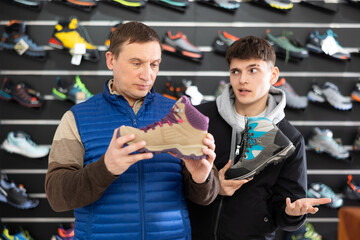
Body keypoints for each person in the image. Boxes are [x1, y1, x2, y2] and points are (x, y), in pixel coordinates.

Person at [45, 21, 219, 239]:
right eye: (136, 63)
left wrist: (201, 178)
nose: (147, 75)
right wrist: (106, 167)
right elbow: (56, 196)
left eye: (154, 64)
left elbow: (205, 197)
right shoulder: (76, 119)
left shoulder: (178, 113)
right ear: (111, 60)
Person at [187, 36, 331, 240]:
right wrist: (210, 185)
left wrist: (292, 214)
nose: (242, 80)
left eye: (253, 70)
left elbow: (285, 210)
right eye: (235, 71)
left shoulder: (289, 138)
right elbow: (174, 181)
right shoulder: (200, 118)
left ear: (273, 75)